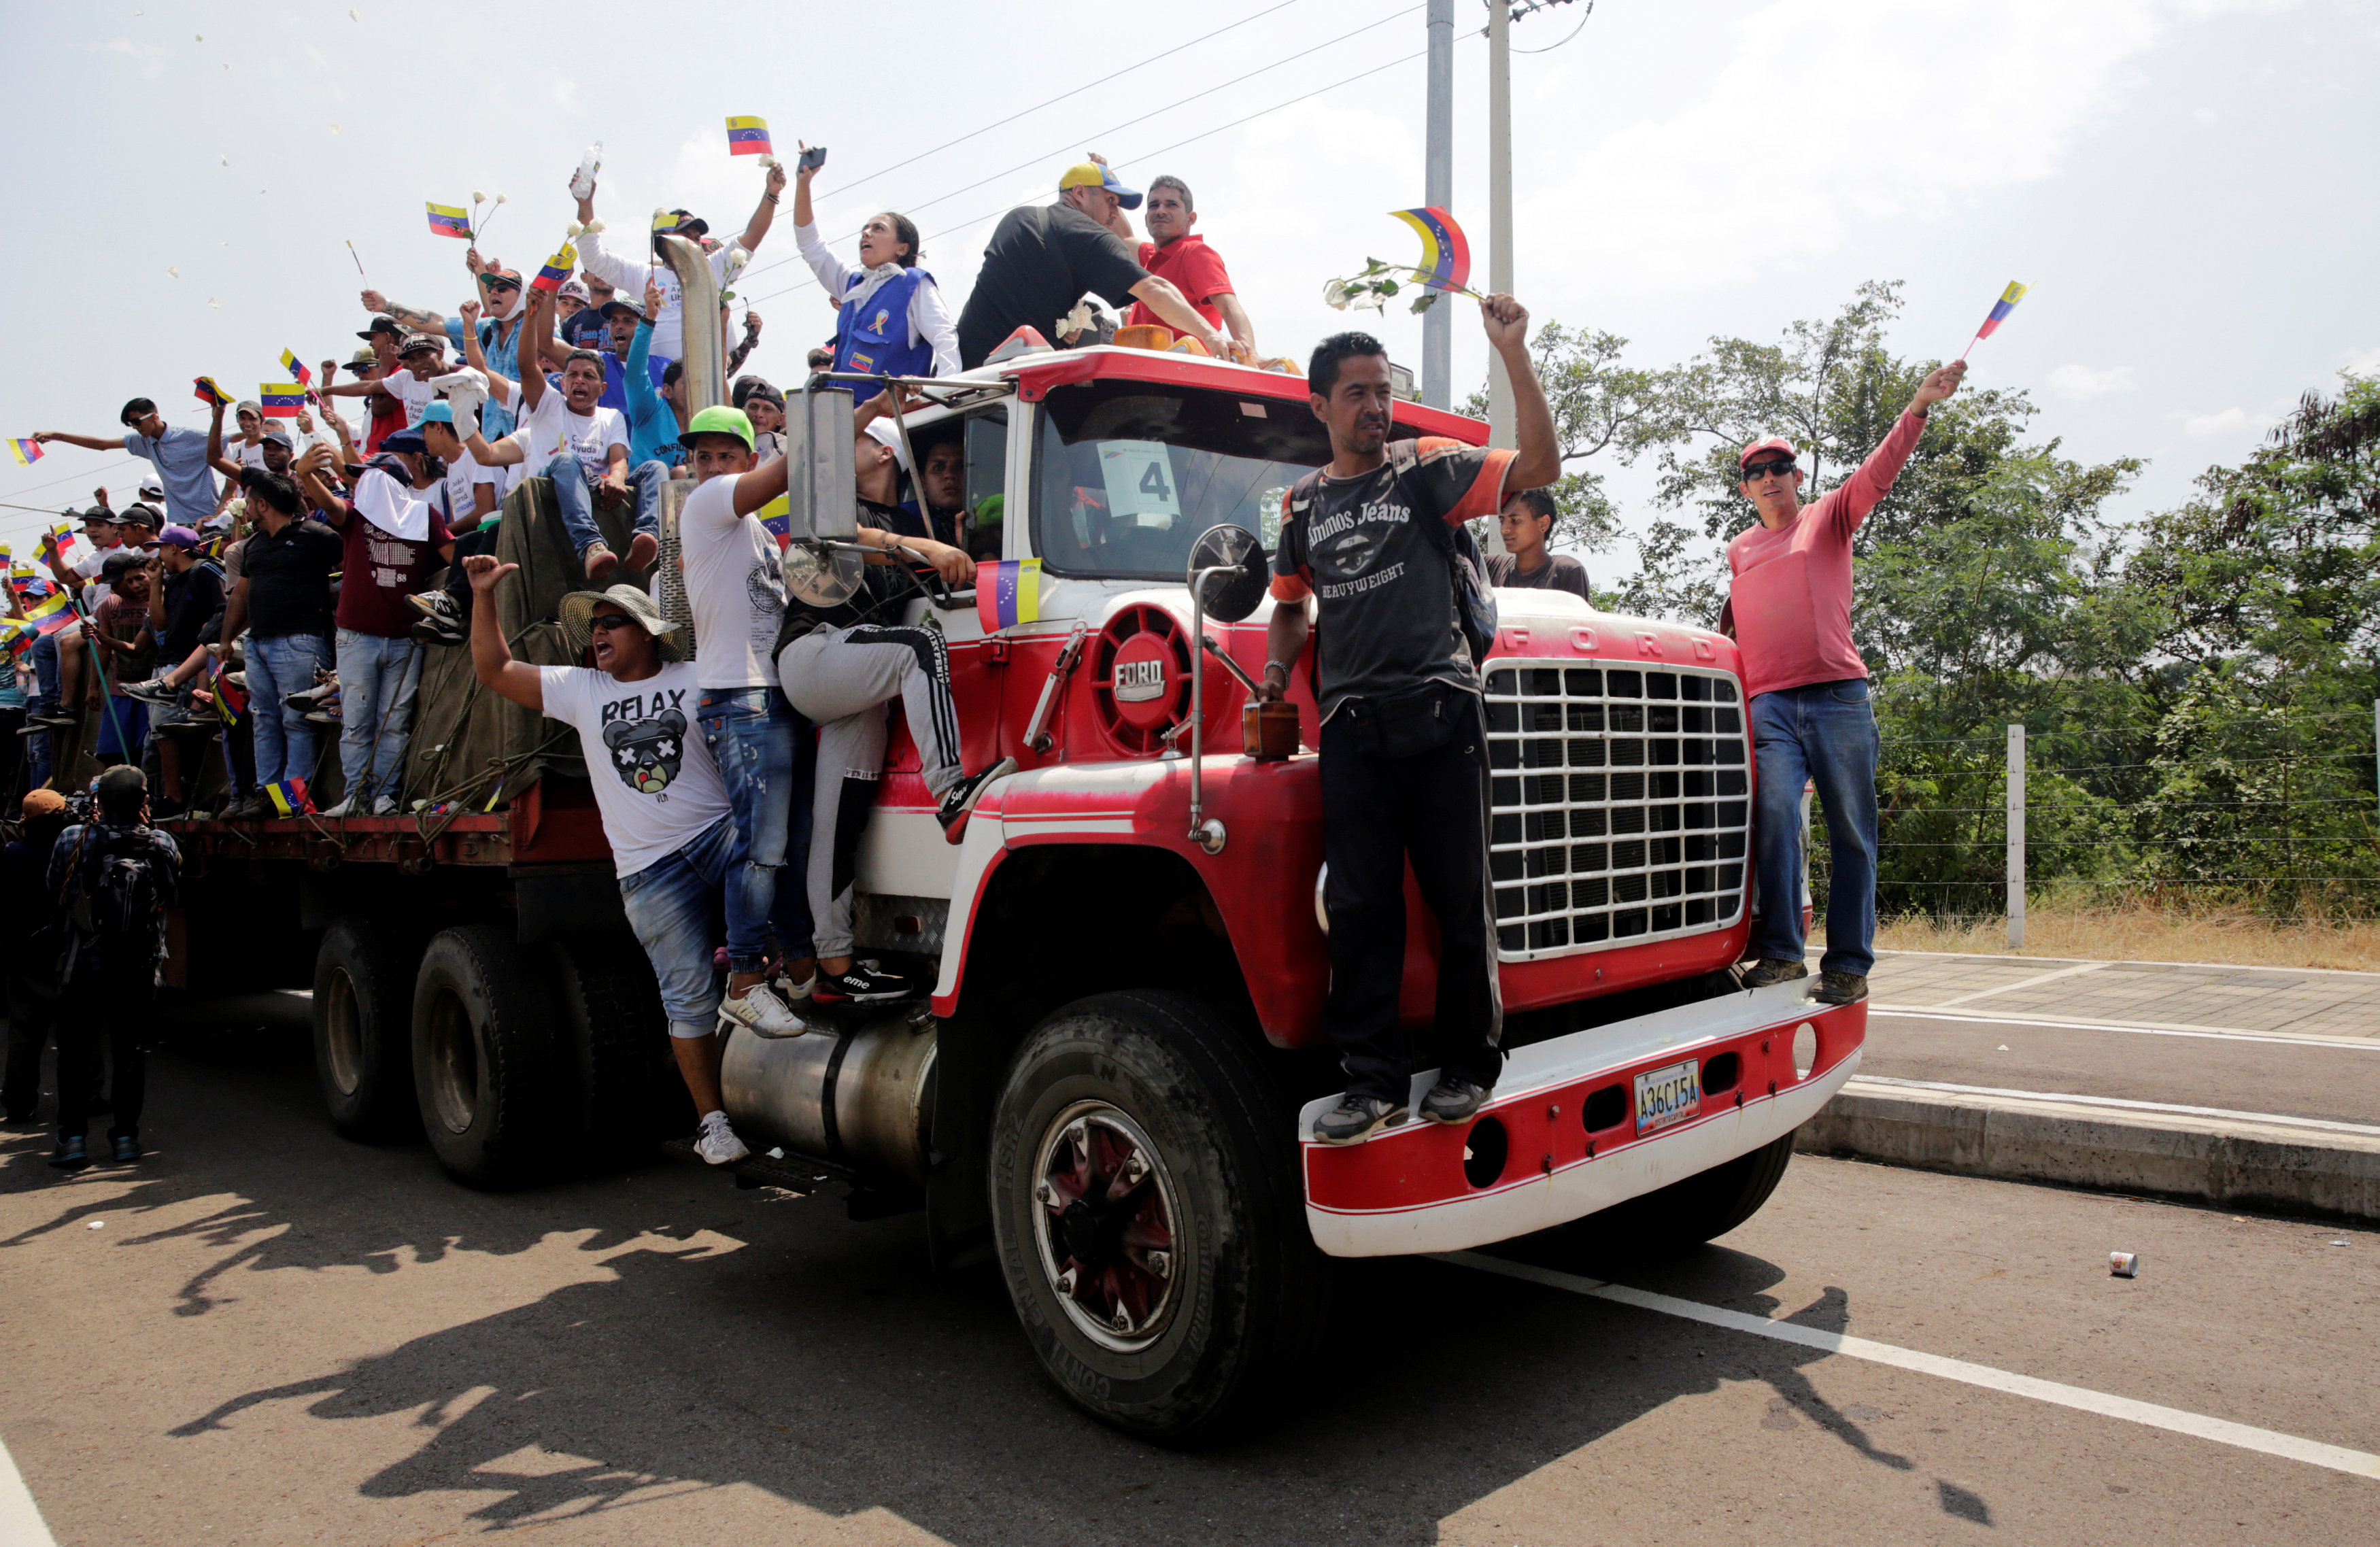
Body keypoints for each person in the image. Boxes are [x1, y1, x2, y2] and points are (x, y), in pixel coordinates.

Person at [1259, 299, 1561, 1144]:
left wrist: (1512, 354)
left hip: (1439, 710)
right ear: (1318, 405)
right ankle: (1373, 1081)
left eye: (1380, 390)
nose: (1372, 406)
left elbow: (1540, 463)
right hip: (1350, 726)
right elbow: (1289, 607)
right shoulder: (1301, 506)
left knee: (1457, 901)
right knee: (1358, 909)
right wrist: (1279, 672)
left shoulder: (1424, 466)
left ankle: (1468, 1064)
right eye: (1354, 393)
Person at [461, 556, 754, 1166]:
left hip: (716, 836)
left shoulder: (699, 677)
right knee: (686, 998)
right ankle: (713, 1124)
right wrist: (482, 596)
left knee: (774, 857)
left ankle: (753, 980)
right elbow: (493, 668)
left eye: (613, 622)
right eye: (593, 624)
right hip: (649, 871)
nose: (598, 633)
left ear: (647, 630)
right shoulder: (580, 690)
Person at [1729, 360, 1967, 1006]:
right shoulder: (1740, 550)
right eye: (1757, 472)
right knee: (1775, 817)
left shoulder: (1829, 516)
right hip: (1771, 704)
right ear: (1746, 487)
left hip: (1836, 697)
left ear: (1797, 477)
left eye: (1780, 468)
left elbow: (1879, 471)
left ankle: (1848, 964)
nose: (1769, 478)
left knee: (1852, 830)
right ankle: (1780, 953)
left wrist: (1917, 406)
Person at [774, 420, 1008, 1004]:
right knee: (918, 649)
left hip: (856, 679)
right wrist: (930, 547)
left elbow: (966, 575)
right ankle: (951, 789)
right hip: (812, 654)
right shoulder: (840, 508)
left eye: (857, 433)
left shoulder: (913, 521)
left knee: (839, 819)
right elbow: (835, 532)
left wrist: (961, 546)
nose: (845, 438)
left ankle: (835, 964)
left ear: (883, 451)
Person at [670, 404, 815, 1034]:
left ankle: (803, 962)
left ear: (745, 459)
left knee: (787, 846)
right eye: (701, 456)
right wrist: (834, 420)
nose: (709, 466)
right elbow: (792, 471)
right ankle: (747, 976)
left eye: (723, 456)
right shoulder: (707, 506)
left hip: (771, 694)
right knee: (759, 846)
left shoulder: (755, 532)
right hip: (739, 697)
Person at [295, 435, 456, 816]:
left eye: (368, 476)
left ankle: (383, 796)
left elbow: (454, 559)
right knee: (358, 722)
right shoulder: (355, 515)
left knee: (393, 723)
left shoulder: (425, 517)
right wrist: (304, 472)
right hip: (358, 637)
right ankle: (357, 796)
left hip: (403, 639)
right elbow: (328, 502)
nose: (362, 483)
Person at [460, 287, 660, 581]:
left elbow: (619, 460)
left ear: (602, 389)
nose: (579, 381)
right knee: (567, 461)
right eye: (572, 375)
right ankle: (590, 544)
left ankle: (646, 538)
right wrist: (531, 315)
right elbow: (527, 366)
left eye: (588, 376)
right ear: (562, 383)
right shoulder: (548, 406)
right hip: (553, 487)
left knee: (655, 468)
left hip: (596, 488)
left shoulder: (611, 417)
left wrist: (617, 478)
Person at [954, 160, 1234, 368]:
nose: (1114, 213)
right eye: (1110, 201)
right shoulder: (1087, 236)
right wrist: (1212, 337)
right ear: (1079, 193)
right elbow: (1155, 290)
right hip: (1011, 385)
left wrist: (1060, 325)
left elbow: (1022, 291)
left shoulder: (1018, 218)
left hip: (953, 375)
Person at [47, 764, 180, 1170]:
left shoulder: (74, 837)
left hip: (83, 965)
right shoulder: (162, 842)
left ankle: (72, 1140)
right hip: (138, 968)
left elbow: (56, 891)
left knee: (74, 1053)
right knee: (130, 1054)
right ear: (145, 801)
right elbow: (171, 897)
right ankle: (125, 1139)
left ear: (98, 801)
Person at [573, 165, 787, 373]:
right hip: (658, 384)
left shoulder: (711, 268)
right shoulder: (644, 274)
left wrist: (771, 194)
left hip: (704, 379)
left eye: (697, 238)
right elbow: (593, 259)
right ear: (665, 242)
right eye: (686, 236)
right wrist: (585, 205)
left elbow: (752, 237)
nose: (693, 243)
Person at [216, 469, 341, 815]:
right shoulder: (254, 545)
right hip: (258, 643)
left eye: (250, 503)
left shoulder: (316, 535)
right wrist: (227, 639)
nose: (247, 512)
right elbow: (240, 595)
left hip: (301, 641)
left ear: (261, 504)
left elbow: (352, 566)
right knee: (265, 719)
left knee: (295, 720)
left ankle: (291, 799)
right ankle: (266, 795)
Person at [790, 149, 958, 402]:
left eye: (878, 229)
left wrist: (944, 397)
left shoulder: (913, 283)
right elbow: (810, 244)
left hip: (890, 424)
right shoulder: (851, 283)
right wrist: (803, 183)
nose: (866, 234)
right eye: (864, 229)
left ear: (902, 248)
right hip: (845, 417)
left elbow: (945, 337)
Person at [360, 263, 530, 439]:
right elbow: (436, 322)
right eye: (490, 288)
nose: (493, 292)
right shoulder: (484, 328)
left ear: (524, 295)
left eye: (502, 288)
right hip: (493, 435)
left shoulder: (539, 334)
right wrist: (387, 306)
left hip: (531, 430)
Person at [124, 526, 225, 816]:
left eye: (162, 547)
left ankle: (176, 799)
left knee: (168, 732)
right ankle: (171, 796)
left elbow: (225, 608)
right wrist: (156, 583)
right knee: (159, 735)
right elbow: (159, 624)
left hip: (187, 662)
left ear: (174, 548)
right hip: (167, 661)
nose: (158, 555)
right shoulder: (174, 579)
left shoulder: (206, 570)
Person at [35, 396, 225, 532]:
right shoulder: (143, 441)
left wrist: (219, 417)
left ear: (153, 416)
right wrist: (56, 436)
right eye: (130, 424)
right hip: (182, 522)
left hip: (210, 516)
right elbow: (102, 445)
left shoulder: (188, 436)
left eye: (137, 421)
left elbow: (231, 440)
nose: (135, 427)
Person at [1122, 175, 1257, 357]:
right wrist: (1102, 176)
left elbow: (1227, 306)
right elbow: (1120, 233)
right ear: (1146, 219)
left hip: (1184, 372)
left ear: (1191, 219)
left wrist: (1249, 353)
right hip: (1144, 371)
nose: (1161, 211)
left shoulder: (1194, 252)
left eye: (1171, 205)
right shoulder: (1150, 257)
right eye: (1154, 205)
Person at [2, 789, 71, 1126]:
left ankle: (18, 1102)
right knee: (77, 1031)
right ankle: (87, 1096)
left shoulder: (12, 854)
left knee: (24, 1035)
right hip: (66, 954)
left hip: (25, 955)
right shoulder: (73, 850)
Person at [1484, 488, 1590, 597]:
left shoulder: (1566, 572)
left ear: (1543, 524)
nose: (1504, 529)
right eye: (1502, 521)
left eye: (1515, 520)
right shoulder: (1492, 567)